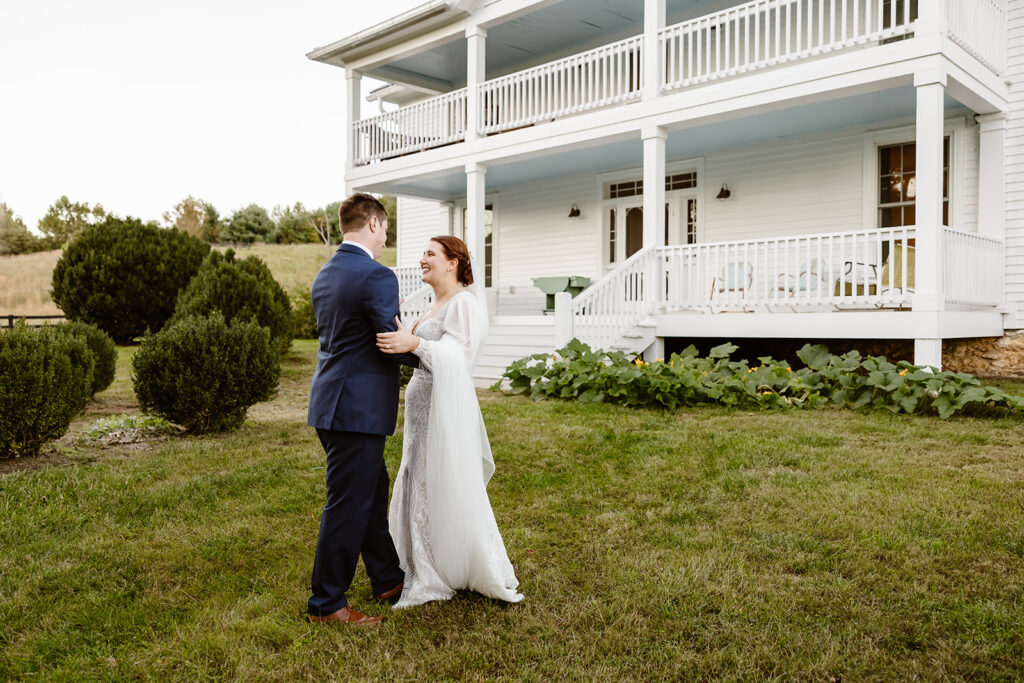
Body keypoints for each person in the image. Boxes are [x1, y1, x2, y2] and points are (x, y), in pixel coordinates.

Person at [376, 235, 524, 607]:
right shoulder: (433, 304)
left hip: (442, 407)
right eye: (422, 253)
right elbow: (422, 348)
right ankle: (414, 558)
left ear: (452, 262)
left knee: (437, 478)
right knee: (417, 474)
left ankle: (441, 568)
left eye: (430, 254)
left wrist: (416, 344)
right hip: (422, 406)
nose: (422, 259)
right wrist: (404, 331)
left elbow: (459, 356)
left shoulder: (464, 304)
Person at [305, 193, 417, 626]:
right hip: (358, 409)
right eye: (385, 228)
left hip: (331, 404)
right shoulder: (376, 275)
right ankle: (327, 603)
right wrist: (431, 353)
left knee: (370, 494)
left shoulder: (326, 274)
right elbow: (389, 343)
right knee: (348, 504)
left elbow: (350, 334)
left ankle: (387, 578)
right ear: (373, 223)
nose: (386, 236)